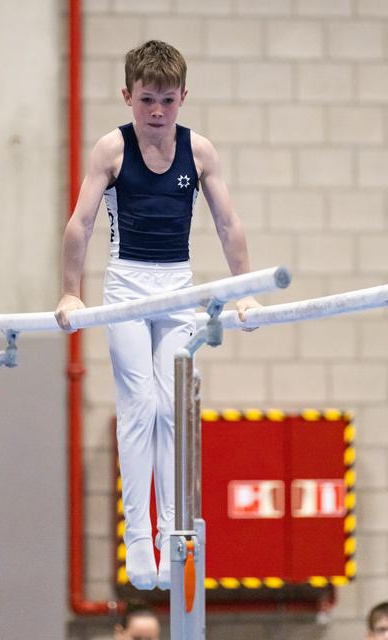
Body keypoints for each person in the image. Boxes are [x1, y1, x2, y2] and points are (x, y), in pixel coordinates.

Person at [55, 39, 259, 591]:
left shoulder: (201, 152)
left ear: (183, 97)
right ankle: (137, 540)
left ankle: (173, 533)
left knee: (173, 405)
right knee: (139, 402)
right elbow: (81, 223)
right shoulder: (110, 150)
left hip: (177, 287)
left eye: (168, 101)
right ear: (127, 96)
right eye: (147, 99)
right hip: (124, 287)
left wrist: (242, 293)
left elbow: (228, 224)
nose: (157, 112)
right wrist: (71, 294)